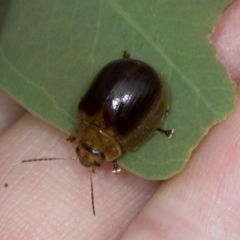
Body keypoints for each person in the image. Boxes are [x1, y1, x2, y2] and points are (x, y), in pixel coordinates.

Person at [0, 1, 240, 239]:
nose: (88, 159)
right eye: (95, 159)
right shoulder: (87, 113)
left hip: (140, 80)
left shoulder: (109, 130)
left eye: (81, 149)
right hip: (138, 80)